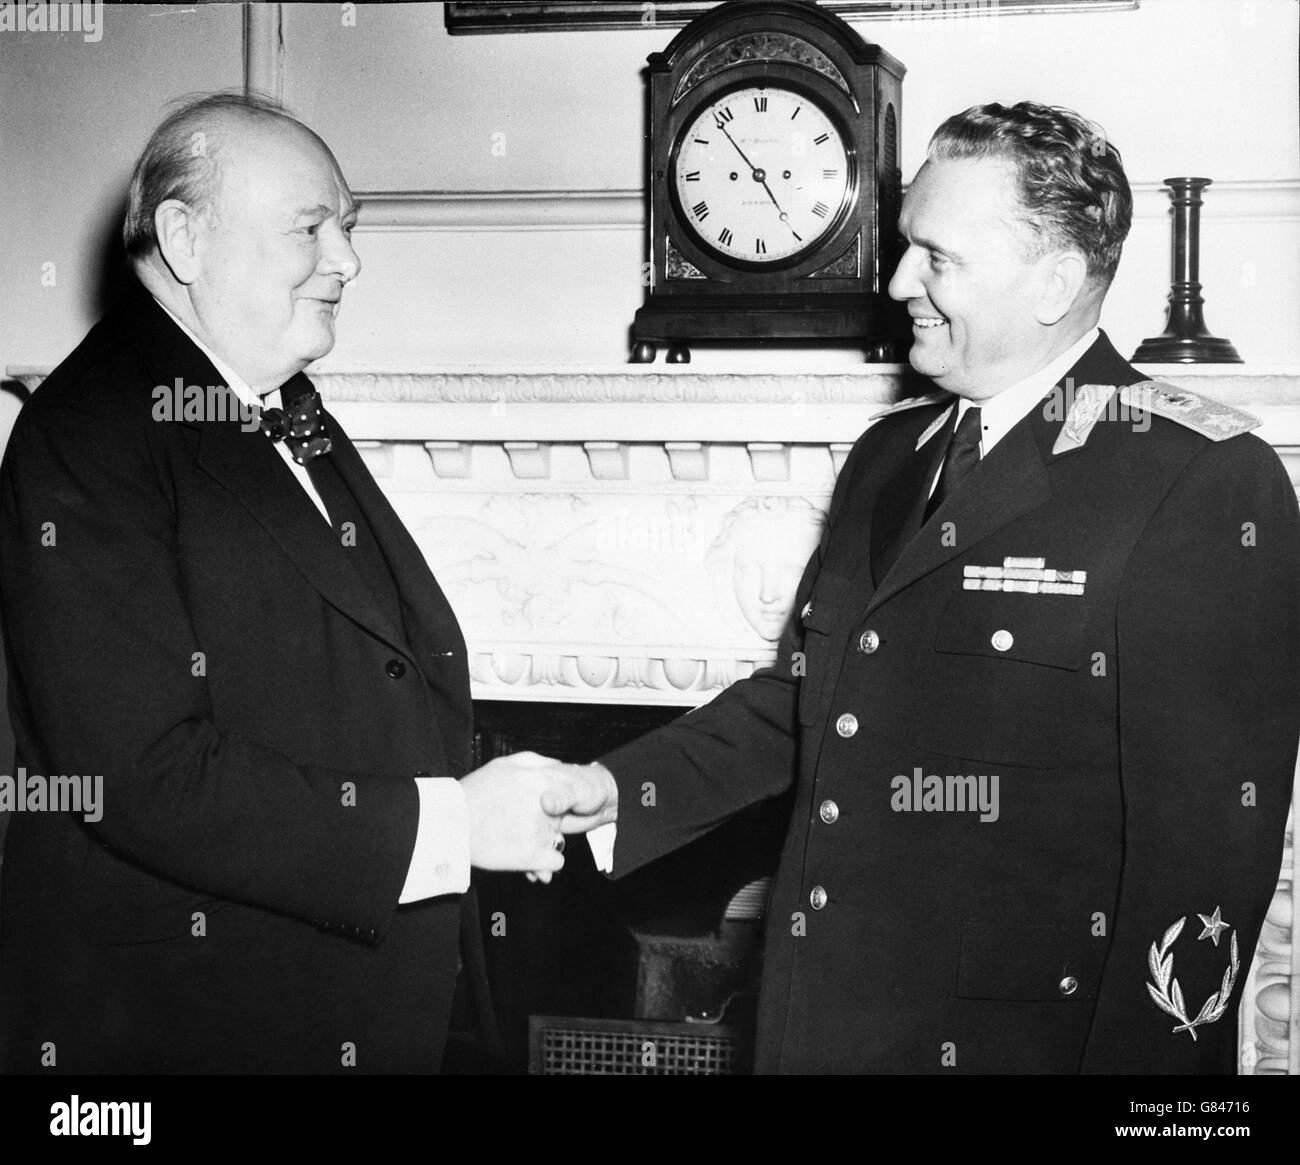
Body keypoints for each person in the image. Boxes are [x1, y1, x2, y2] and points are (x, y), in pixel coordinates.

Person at [543, 101, 1300, 1074]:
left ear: (1054, 282)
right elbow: (807, 703)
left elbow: (1199, 863)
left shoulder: (1197, 477)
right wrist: (607, 785)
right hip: (816, 1029)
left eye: (935, 257)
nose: (898, 282)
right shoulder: (888, 455)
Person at [0, 92, 567, 1074]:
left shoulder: (271, 398)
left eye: (346, 228)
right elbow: (145, 777)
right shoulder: (89, 433)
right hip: (187, 1021)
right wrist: (451, 825)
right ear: (184, 237)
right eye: (312, 227)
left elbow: (353, 670)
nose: (347, 261)